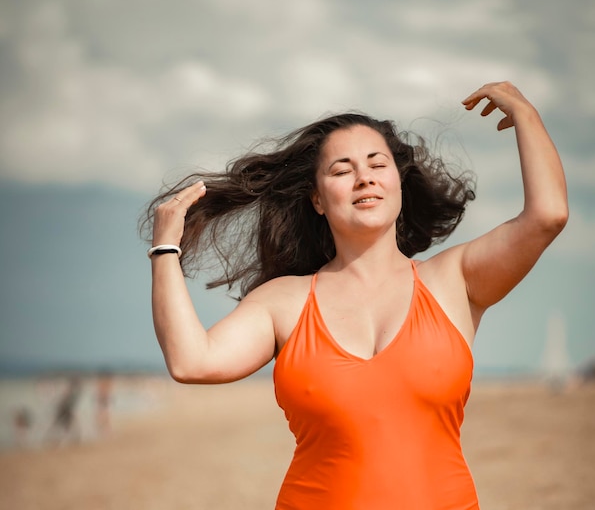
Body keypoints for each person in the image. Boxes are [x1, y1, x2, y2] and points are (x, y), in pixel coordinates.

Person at [143, 81, 568, 509]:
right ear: (318, 200)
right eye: (342, 170)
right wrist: (165, 248)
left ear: (399, 183)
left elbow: (547, 216)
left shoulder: (455, 280)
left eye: (376, 164)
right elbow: (190, 360)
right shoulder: (282, 303)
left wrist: (524, 114)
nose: (363, 177)